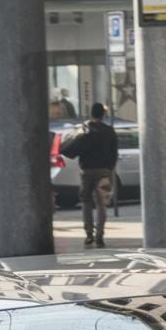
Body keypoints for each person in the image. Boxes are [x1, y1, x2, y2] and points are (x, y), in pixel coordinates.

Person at [59, 103, 119, 249]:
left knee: (86, 202)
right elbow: (114, 153)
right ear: (103, 115)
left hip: (86, 171)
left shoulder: (85, 130)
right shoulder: (109, 131)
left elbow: (71, 148)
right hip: (103, 171)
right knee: (101, 204)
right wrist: (109, 168)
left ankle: (88, 234)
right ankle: (100, 235)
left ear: (91, 114)